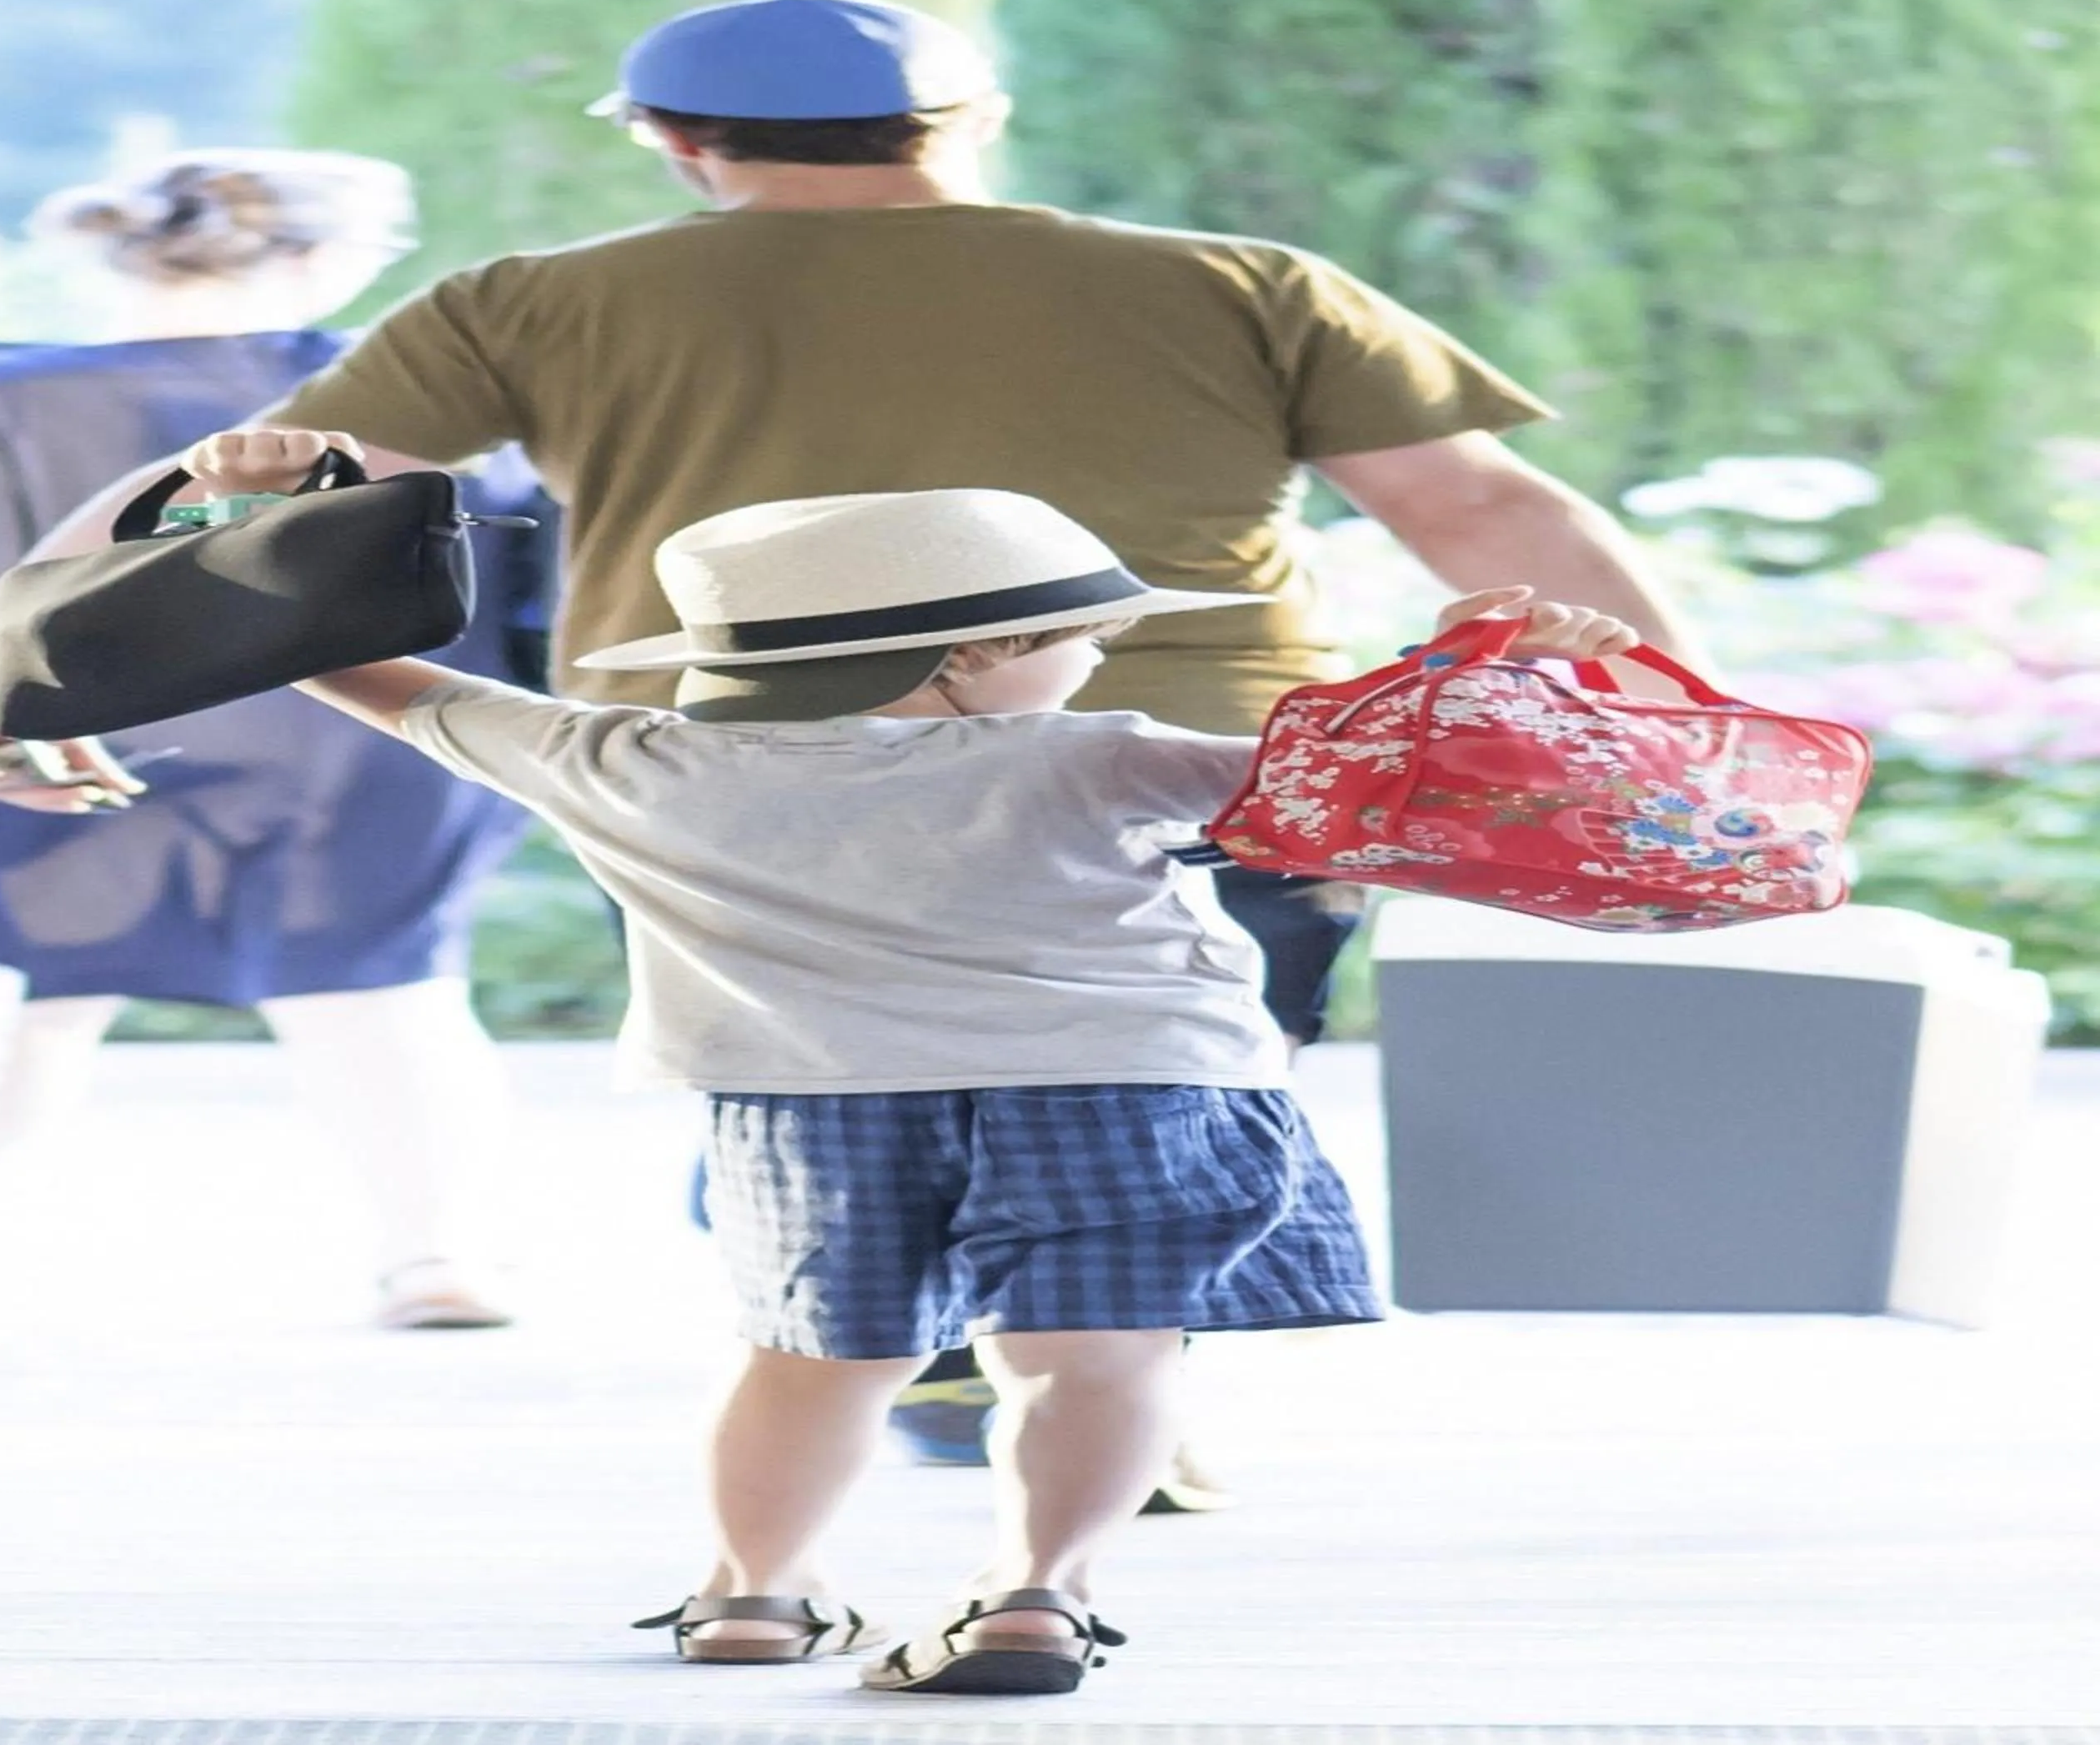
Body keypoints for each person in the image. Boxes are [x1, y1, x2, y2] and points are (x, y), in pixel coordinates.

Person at [0, 0, 1702, 1458]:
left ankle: (888, 1327)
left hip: (742, 775)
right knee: (1172, 1065)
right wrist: (1679, 729)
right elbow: (1488, 520)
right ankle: (1103, 1367)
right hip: (1188, 761)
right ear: (966, 128)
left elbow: (244, 500)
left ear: (686, 148)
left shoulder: (538, 301)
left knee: (805, 1060)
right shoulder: (1238, 281)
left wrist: (1, 668)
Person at [199, 455, 1641, 1693]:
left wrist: (249, 522)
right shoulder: (1099, 757)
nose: (1097, 655)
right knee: (1099, 1351)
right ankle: (1037, 1591)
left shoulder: (622, 759)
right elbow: (1377, 781)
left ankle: (753, 1593)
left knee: (818, 1361)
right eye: (1081, 630)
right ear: (969, 658)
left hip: (814, 1103)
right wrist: (1490, 665)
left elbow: (361, 674)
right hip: (1129, 1084)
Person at [0, 151, 553, 1329]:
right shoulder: (444, 393)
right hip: (368, 742)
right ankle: (437, 1258)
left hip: (53, 742)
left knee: (14, 998)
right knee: (384, 993)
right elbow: (526, 573)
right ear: (318, 258)